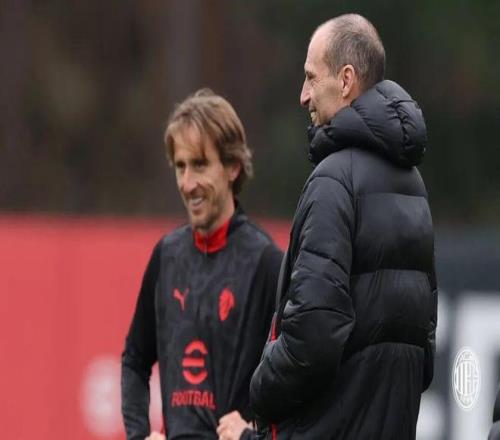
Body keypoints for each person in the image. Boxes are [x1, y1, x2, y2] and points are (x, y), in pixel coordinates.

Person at [250, 13, 437, 439]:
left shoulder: (334, 180)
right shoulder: (414, 184)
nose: (303, 96)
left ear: (346, 79)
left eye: (311, 78)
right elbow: (424, 349)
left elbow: (313, 336)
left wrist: (259, 389)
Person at [121, 89, 283, 440]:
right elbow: (134, 359)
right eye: (180, 166)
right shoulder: (166, 255)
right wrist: (139, 434)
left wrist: (252, 432)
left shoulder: (267, 262)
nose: (187, 183)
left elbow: (294, 376)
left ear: (233, 167)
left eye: (199, 164)